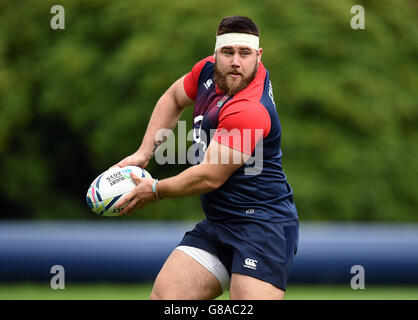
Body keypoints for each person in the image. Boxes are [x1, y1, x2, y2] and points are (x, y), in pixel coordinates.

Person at [114, 16, 299, 300]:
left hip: (263, 227)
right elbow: (174, 98)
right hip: (219, 222)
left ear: (258, 56)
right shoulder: (206, 73)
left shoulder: (249, 109)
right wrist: (143, 153)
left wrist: (154, 190)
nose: (235, 61)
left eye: (245, 53)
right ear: (215, 54)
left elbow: (209, 175)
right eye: (228, 52)